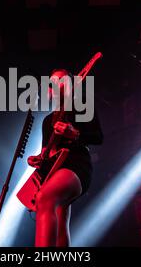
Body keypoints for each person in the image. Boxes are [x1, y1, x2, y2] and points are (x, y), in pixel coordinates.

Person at [27, 69, 103, 247]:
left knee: (45, 198)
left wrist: (75, 133)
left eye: (60, 79)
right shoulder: (47, 121)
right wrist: (37, 158)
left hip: (76, 165)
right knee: (61, 221)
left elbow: (98, 137)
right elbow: (46, 151)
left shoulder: (83, 105)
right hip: (54, 170)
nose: (54, 82)